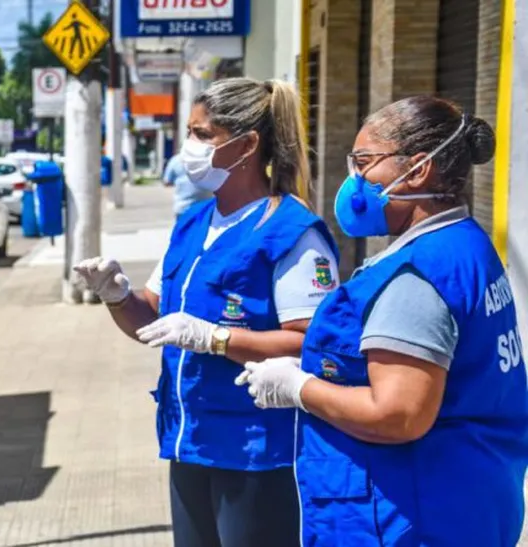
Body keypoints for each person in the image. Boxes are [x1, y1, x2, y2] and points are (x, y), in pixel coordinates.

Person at [238, 96, 528, 546]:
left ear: (417, 170)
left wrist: (298, 389)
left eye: (365, 163)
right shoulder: (467, 245)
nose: (354, 181)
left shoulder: (415, 278)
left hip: (408, 518)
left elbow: (399, 415)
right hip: (471, 500)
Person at [74, 78, 340, 547]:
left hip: (256, 449)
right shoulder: (194, 222)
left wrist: (214, 339)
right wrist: (116, 295)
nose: (188, 147)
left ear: (247, 144)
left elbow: (312, 342)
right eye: (189, 132)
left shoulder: (291, 232)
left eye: (202, 134)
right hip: (189, 439)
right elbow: (153, 319)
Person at [163, 151, 213, 219]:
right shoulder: (209, 158)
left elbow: (167, 182)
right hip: (205, 208)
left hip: (184, 208)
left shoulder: (175, 160)